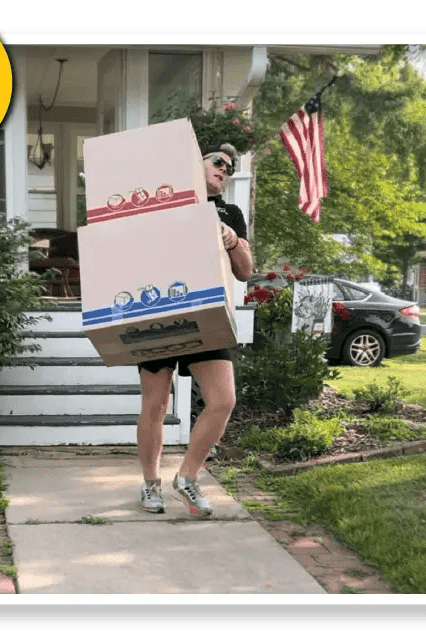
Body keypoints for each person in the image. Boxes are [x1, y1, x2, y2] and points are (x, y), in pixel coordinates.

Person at [137, 142, 253, 516]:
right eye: (218, 162)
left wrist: (232, 240)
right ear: (195, 162)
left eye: (230, 168)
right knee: (155, 404)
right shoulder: (161, 200)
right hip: (158, 309)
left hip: (207, 313)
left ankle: (186, 478)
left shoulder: (230, 212)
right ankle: (150, 485)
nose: (224, 169)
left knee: (223, 400)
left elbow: (245, 270)